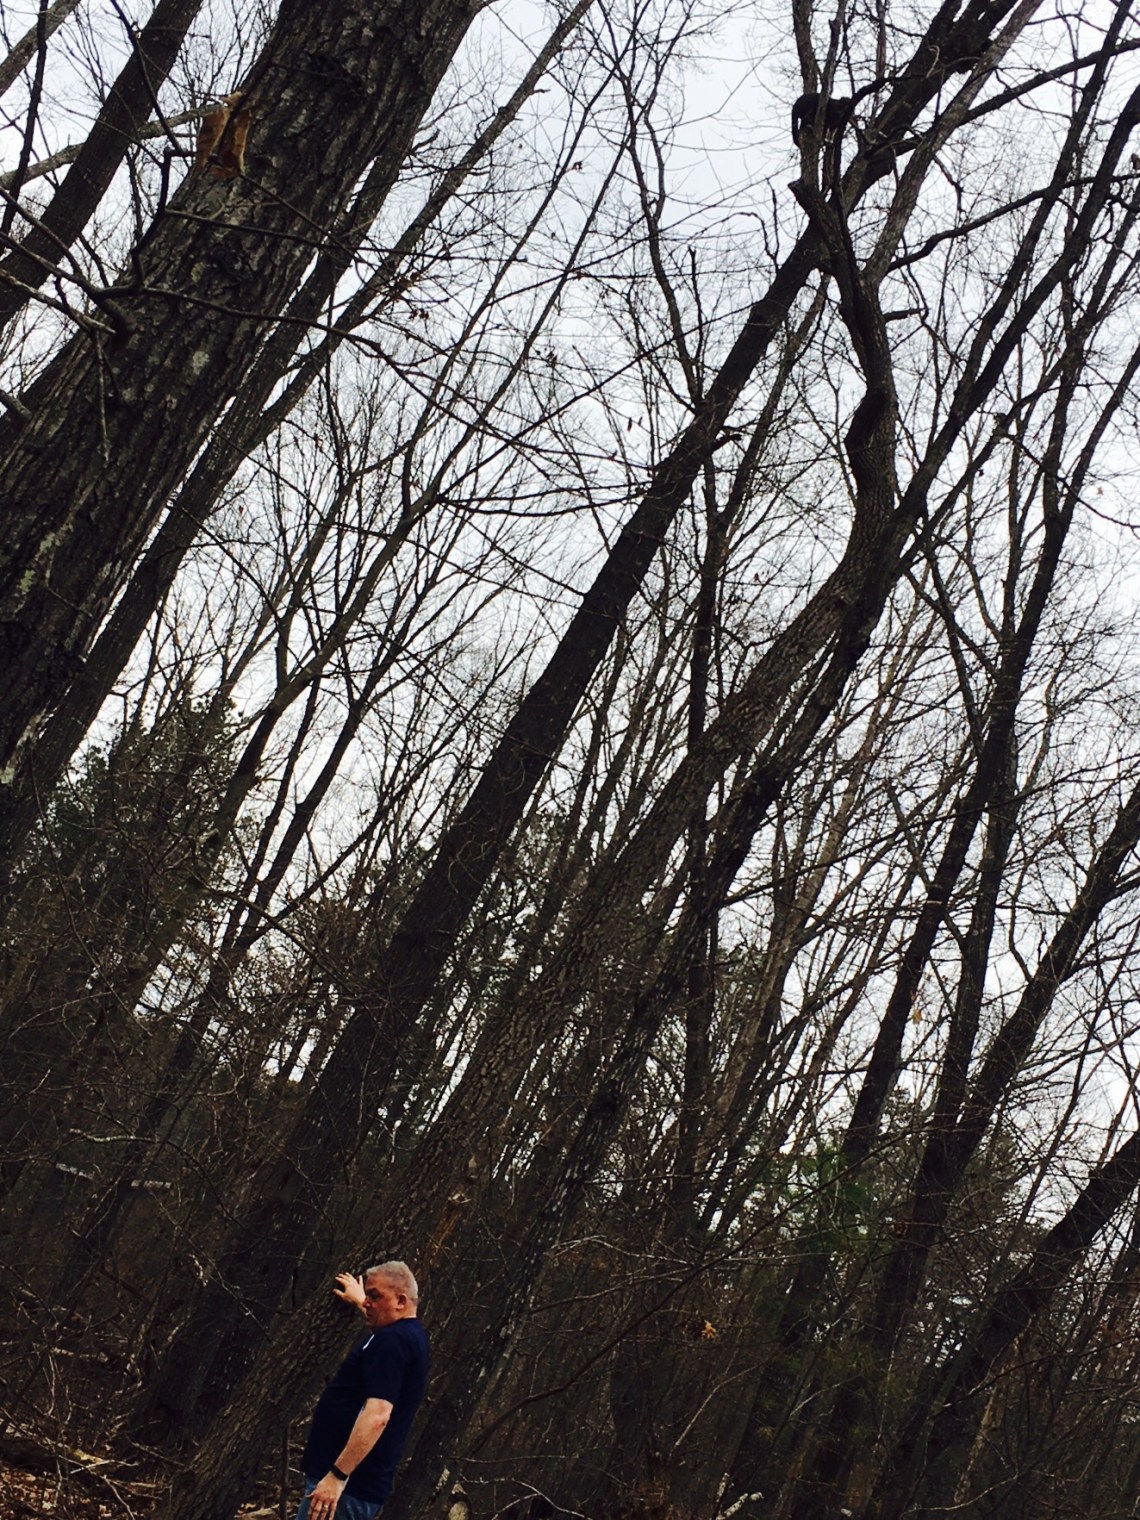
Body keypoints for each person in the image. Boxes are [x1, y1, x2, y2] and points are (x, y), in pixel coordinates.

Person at [296, 1260, 430, 1520]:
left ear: (401, 1301)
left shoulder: (392, 1342)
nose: (367, 1303)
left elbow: (378, 1416)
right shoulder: (405, 1334)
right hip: (350, 1487)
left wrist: (337, 1476)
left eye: (375, 1296)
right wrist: (361, 1301)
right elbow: (383, 1319)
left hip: (346, 1489)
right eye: (367, 1296)